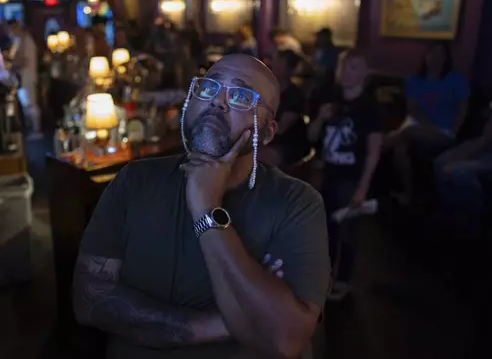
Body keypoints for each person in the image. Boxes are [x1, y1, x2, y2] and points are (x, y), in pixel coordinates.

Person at [73, 54, 330, 359]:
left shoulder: (298, 204)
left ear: (270, 131)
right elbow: (88, 301)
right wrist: (239, 322)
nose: (217, 102)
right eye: (208, 88)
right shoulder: (135, 181)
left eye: (240, 95)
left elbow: (286, 341)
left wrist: (206, 208)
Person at [307, 50, 383, 301]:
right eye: (344, 66)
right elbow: (311, 136)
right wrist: (320, 117)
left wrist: (363, 188)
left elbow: (373, 152)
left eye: (353, 67)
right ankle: (325, 277)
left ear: (364, 73)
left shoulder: (370, 108)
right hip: (329, 174)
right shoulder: (330, 99)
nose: (346, 72)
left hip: (352, 177)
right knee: (326, 229)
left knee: (349, 232)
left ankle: (344, 280)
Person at [387, 43, 469, 204]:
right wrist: (426, 125)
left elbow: (463, 109)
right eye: (432, 53)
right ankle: (408, 193)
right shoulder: (414, 80)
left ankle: (378, 145)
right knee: (400, 148)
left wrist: (454, 131)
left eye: (441, 54)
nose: (436, 57)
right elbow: (412, 109)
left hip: (443, 131)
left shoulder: (455, 79)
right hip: (417, 124)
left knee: (402, 135)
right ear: (426, 56)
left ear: (446, 58)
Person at [434, 102, 492, 230]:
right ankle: (452, 214)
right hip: (485, 145)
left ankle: (473, 221)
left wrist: (459, 161)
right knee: (440, 163)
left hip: (487, 151)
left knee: (458, 172)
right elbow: (486, 138)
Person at [260, 50, 309, 167]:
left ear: (289, 70)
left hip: (289, 143)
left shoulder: (295, 95)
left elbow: (281, 129)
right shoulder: (266, 90)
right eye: (275, 63)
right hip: (267, 139)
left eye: (280, 65)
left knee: (257, 156)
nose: (275, 68)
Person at [9, 19, 40, 134]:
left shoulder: (26, 40)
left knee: (31, 105)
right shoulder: (18, 40)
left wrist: (11, 64)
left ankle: (36, 130)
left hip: (27, 77)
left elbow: (25, 61)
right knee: (26, 106)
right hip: (21, 78)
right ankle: (32, 129)